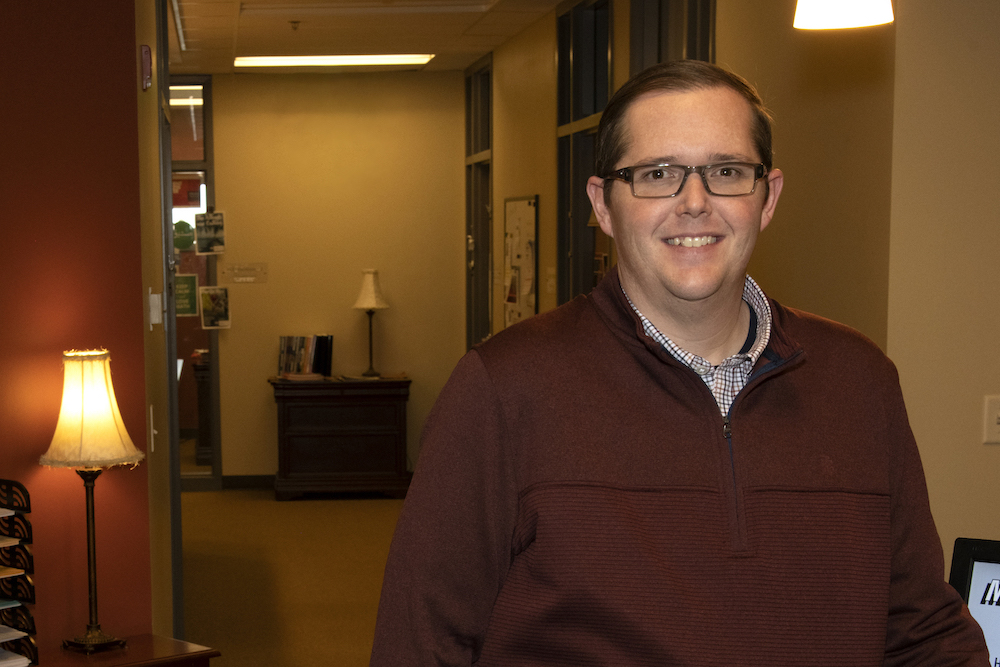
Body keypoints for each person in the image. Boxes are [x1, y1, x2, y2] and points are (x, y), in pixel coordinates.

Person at [369, 60, 989, 666]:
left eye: (725, 171)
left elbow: (922, 634)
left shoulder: (861, 382)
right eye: (659, 173)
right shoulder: (503, 389)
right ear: (604, 205)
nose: (695, 202)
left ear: (766, 198)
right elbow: (421, 643)